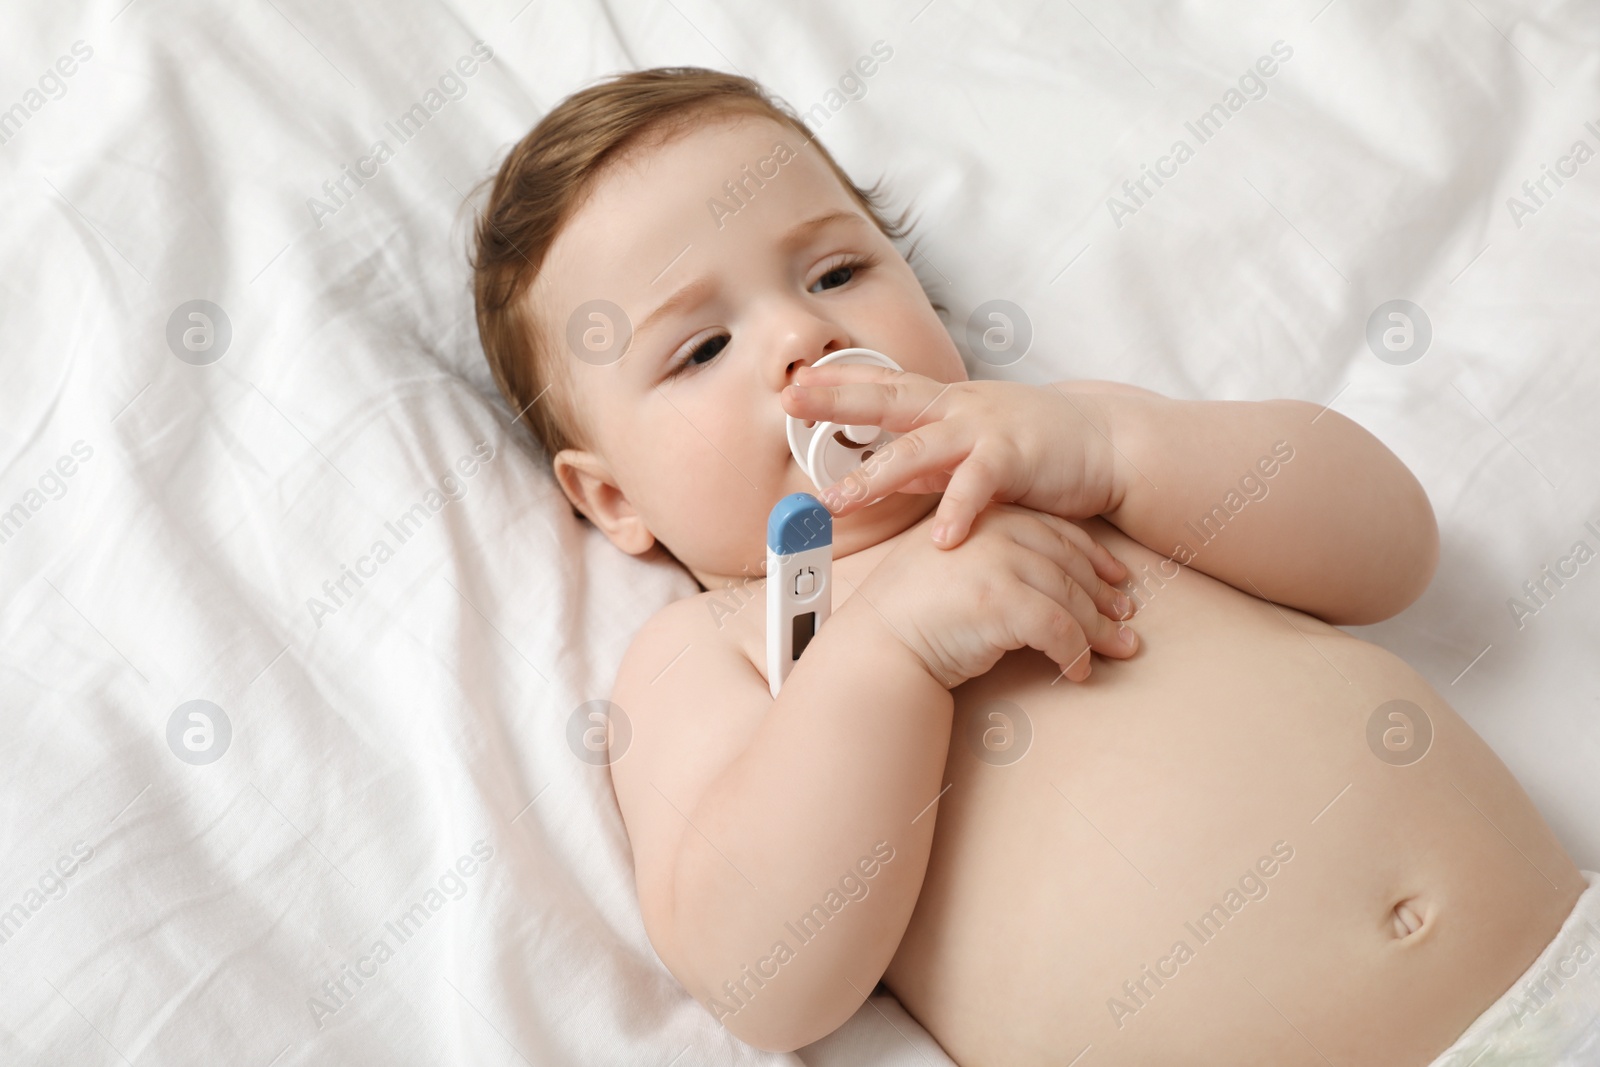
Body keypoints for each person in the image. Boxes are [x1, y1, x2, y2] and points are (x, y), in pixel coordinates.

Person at [471, 66, 1597, 1066]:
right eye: (702, 347)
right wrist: (882, 655)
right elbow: (763, 975)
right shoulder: (717, 645)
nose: (796, 340)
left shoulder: (1069, 446)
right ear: (611, 496)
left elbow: (1392, 549)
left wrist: (1117, 452)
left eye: (833, 270)